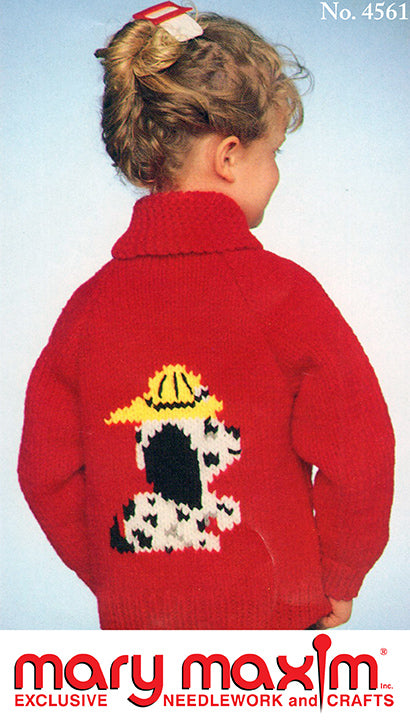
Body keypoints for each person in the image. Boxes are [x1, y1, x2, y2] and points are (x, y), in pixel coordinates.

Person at [18, 3, 394, 630]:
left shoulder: (87, 309)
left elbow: (44, 471)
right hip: (277, 623)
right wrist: (339, 571)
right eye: (274, 151)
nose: (277, 174)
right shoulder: (285, 294)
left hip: (140, 638)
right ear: (229, 156)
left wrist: (118, 573)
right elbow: (360, 451)